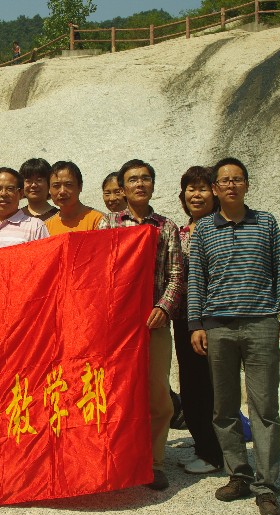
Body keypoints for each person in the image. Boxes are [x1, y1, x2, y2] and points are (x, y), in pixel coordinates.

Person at [188, 158, 280, 515]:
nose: (231, 185)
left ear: (246, 185)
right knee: (224, 407)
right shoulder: (205, 229)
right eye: (224, 181)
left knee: (265, 408)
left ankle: (267, 487)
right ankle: (239, 474)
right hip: (218, 327)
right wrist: (196, 324)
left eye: (238, 179)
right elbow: (196, 279)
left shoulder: (266, 222)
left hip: (261, 323)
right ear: (215, 189)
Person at [97, 159, 183, 491]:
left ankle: (154, 461)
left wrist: (164, 307)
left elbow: (176, 275)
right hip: (117, 327)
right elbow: (97, 272)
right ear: (122, 187)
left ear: (153, 185)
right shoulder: (108, 225)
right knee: (115, 392)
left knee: (157, 394)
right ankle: (116, 458)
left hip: (153, 324)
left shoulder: (166, 227)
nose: (140, 184)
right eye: (133, 180)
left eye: (146, 179)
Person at [173, 166, 223, 475]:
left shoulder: (220, 228)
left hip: (213, 319)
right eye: (190, 189)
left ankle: (215, 453)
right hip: (184, 320)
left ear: (214, 193)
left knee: (212, 386)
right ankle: (204, 445)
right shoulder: (181, 232)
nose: (196, 194)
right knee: (191, 385)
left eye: (202, 188)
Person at [44, 161, 103, 235]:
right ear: (49, 189)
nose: (62, 191)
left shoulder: (98, 220)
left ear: (80, 187)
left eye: (68, 185)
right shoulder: (45, 227)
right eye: (56, 186)